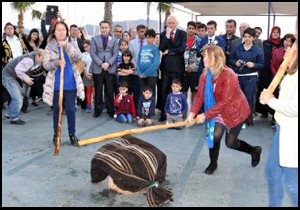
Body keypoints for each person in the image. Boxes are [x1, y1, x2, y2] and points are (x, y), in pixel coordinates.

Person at [186, 45, 262, 175]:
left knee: (230, 143)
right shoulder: (205, 73)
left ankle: (254, 150)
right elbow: (200, 96)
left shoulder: (229, 75)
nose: (203, 59)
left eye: (207, 57)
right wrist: (191, 114)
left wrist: (205, 115)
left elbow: (226, 100)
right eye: (204, 56)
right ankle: (213, 163)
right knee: (215, 135)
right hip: (216, 108)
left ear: (217, 58)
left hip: (234, 110)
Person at [259, 17, 298, 207]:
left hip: (294, 131)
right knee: (273, 174)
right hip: (283, 127)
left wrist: (270, 101)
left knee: (293, 186)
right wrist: (289, 64)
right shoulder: (293, 58)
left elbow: (295, 108)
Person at [43, 21, 85, 146]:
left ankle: (72, 134)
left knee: (71, 110)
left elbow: (78, 57)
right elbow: (46, 65)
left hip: (70, 83)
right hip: (56, 84)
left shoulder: (71, 43)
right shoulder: (49, 46)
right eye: (58, 30)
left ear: (66, 31)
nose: (61, 32)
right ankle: (57, 134)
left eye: (63, 30)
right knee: (57, 110)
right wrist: (56, 63)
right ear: (54, 32)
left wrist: (66, 46)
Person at [2, 50, 44, 125]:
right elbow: (18, 70)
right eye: (44, 57)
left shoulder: (32, 58)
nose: (44, 60)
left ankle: (10, 113)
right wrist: (26, 79)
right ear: (38, 55)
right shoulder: (29, 60)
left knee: (18, 97)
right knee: (18, 98)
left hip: (9, 76)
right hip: (8, 77)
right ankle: (14, 118)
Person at [159, 15, 187, 122]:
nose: (170, 25)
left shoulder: (182, 33)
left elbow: (181, 48)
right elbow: (161, 48)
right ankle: (163, 114)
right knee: (164, 90)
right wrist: (166, 36)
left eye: (172, 23)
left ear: (177, 23)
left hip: (178, 67)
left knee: (176, 90)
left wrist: (169, 52)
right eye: (169, 23)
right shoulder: (163, 34)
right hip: (166, 67)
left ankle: (178, 113)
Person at [89, 20, 119, 118]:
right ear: (100, 28)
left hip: (110, 69)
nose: (104, 29)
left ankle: (110, 110)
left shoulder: (114, 40)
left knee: (110, 90)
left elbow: (115, 54)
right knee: (98, 90)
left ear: (109, 28)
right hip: (98, 68)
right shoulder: (94, 39)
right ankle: (98, 110)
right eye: (102, 27)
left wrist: (108, 63)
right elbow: (92, 53)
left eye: (106, 27)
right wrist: (101, 63)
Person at [81, 39, 94, 113]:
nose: (86, 48)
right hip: (87, 75)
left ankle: (98, 105)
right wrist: (86, 74)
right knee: (88, 91)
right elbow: (82, 66)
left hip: (95, 75)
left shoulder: (95, 53)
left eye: (87, 46)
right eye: (84, 47)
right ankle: (89, 105)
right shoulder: (83, 55)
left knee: (96, 91)